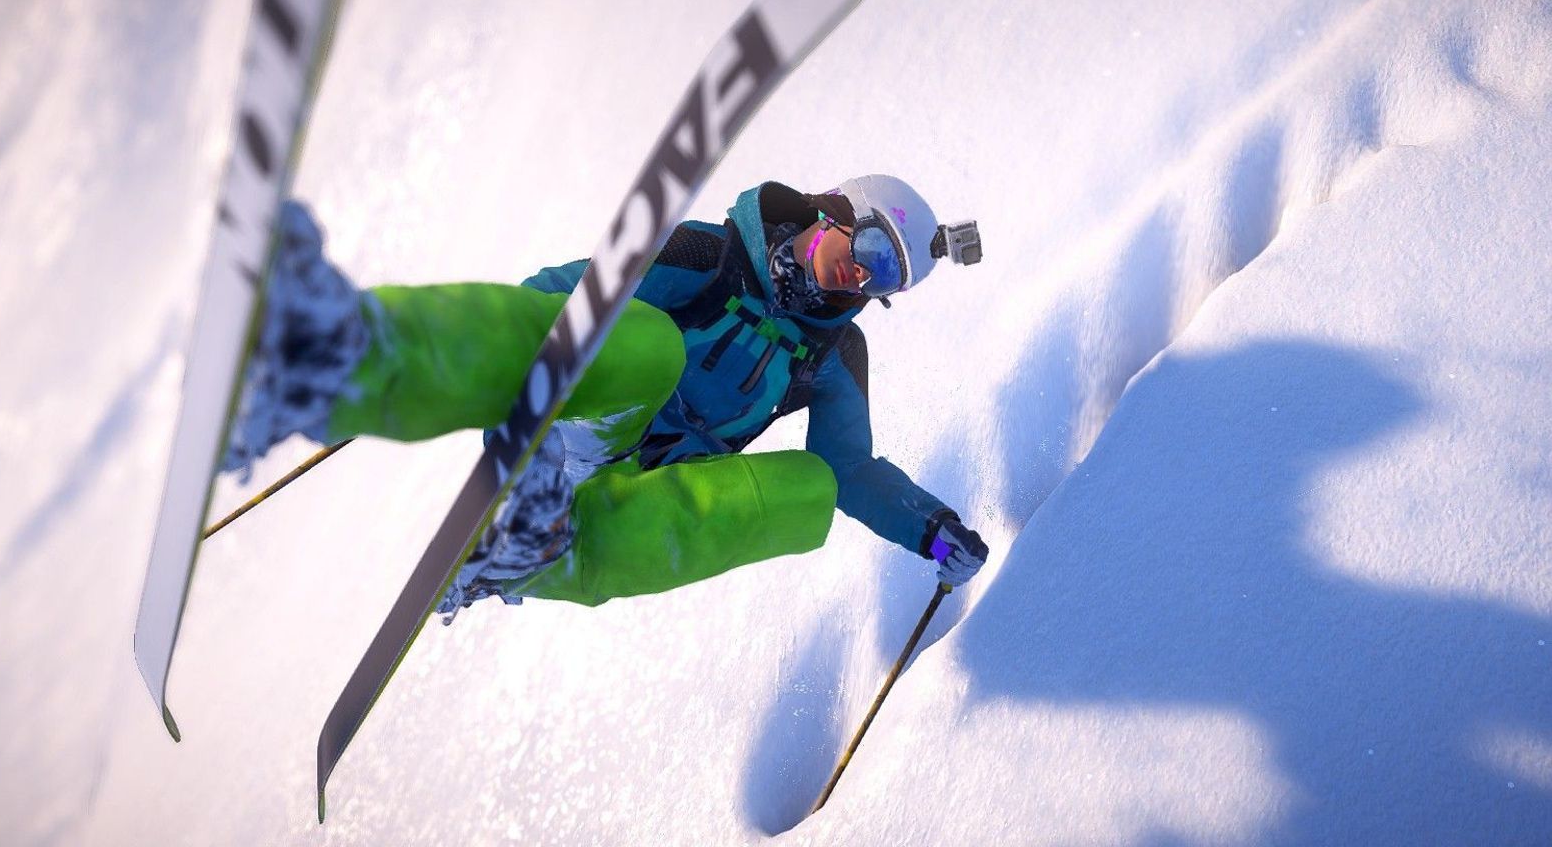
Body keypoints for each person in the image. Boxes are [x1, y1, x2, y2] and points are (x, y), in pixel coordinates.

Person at [218, 176, 991, 614]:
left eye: (885, 276)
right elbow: (565, 296)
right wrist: (463, 362)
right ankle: (344, 356)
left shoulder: (832, 353)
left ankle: (531, 549)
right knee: (645, 340)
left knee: (812, 490)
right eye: (868, 250)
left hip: (619, 494)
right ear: (832, 216)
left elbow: (851, 470)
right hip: (573, 408)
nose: (862, 275)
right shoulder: (713, 255)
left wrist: (931, 528)